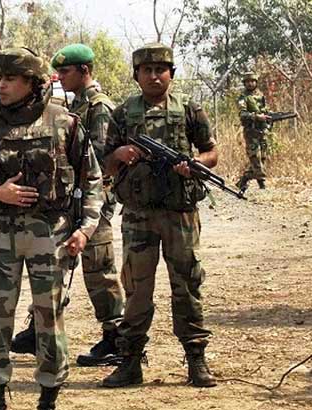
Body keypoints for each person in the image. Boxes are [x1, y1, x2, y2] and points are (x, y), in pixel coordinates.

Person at [0, 47, 103, 410]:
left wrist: (85, 229)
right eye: (0, 78)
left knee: (49, 321)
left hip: (49, 236)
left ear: (32, 84)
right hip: (0, 234)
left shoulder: (64, 123)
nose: (1, 85)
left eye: (10, 79)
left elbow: (92, 182)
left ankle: (47, 409)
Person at [101, 42, 218, 389]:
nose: (154, 76)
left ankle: (196, 358)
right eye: (147, 70)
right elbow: (104, 163)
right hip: (138, 215)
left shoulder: (189, 109)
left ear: (171, 74)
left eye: (160, 70)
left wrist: (194, 165)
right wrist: (120, 154)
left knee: (187, 284)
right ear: (136, 75)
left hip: (180, 213)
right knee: (137, 289)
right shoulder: (123, 113)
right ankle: (130, 361)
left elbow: (211, 153)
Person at [11, 43, 125, 367]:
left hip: (92, 203)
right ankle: (39, 330)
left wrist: (90, 204)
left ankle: (116, 338)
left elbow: (99, 161)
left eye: (65, 71)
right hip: (71, 201)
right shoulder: (76, 104)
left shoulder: (99, 107)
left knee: (99, 271)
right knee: (54, 266)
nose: (60, 77)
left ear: (84, 71)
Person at [236, 72, 270, 192]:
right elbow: (242, 114)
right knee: (255, 157)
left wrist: (267, 119)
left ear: (256, 82)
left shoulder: (261, 96)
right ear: (244, 83)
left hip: (262, 130)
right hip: (251, 131)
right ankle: (262, 183)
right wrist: (256, 117)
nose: (250, 84)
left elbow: (266, 110)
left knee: (262, 158)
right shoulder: (243, 98)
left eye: (252, 81)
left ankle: (244, 179)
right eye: (247, 82)